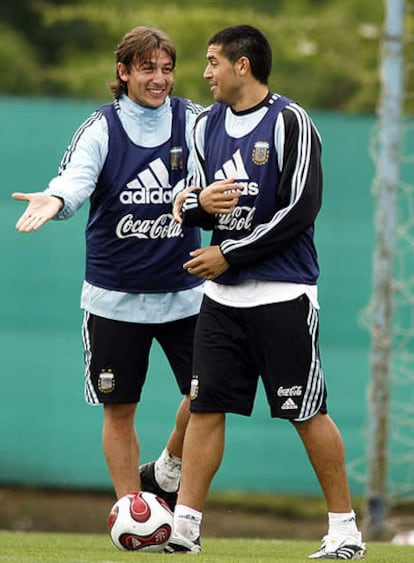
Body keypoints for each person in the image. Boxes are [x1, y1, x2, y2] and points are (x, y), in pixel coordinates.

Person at [167, 24, 366, 559]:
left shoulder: (290, 121)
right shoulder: (205, 124)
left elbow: (301, 209)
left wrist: (229, 252)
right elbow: (186, 199)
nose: (205, 73)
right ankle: (184, 528)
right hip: (221, 299)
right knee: (205, 407)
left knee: (305, 411)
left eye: (212, 62)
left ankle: (344, 530)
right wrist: (198, 207)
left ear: (242, 66)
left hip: (283, 294)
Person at [11, 25, 206, 511]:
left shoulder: (196, 122)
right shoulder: (101, 127)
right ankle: (134, 514)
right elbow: (75, 179)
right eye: (147, 69)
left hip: (186, 294)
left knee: (209, 396)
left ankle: (167, 469)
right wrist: (55, 198)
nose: (159, 79)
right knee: (120, 410)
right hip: (115, 299)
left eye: (166, 69)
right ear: (123, 72)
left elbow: (229, 162)